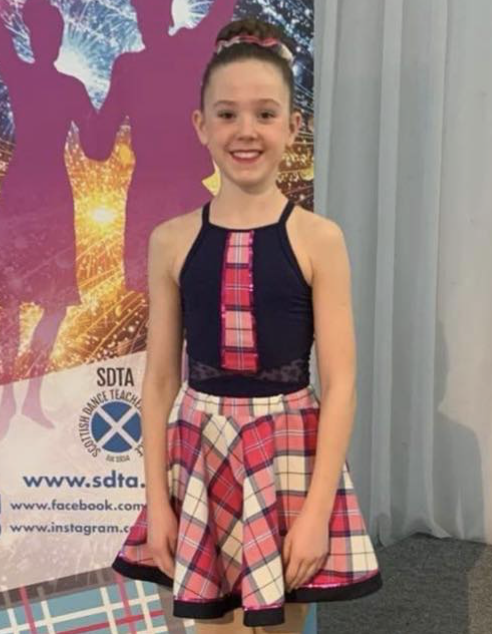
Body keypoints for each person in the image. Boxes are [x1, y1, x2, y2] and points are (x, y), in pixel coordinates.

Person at [112, 17, 383, 633]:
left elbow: (341, 383)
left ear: (293, 125)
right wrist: (157, 503)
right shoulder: (170, 240)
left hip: (289, 457)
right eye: (227, 114)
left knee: (282, 620)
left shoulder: (320, 239)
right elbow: (160, 380)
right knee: (213, 625)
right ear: (201, 125)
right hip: (199, 452)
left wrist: (317, 512)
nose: (246, 131)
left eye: (265, 114)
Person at [90, 0, 236, 294]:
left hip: (158, 196)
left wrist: (77, 110)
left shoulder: (135, 66)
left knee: (164, 296)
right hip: (172, 195)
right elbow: (99, 144)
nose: (146, 18)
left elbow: (98, 146)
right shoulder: (186, 52)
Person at [0, 0, 96, 439]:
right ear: (45, 39)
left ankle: (20, 396)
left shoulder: (24, 77)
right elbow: (96, 146)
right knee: (25, 302)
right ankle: (19, 395)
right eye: (47, 34)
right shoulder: (70, 88)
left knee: (19, 301)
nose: (51, 41)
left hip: (27, 192)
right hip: (43, 193)